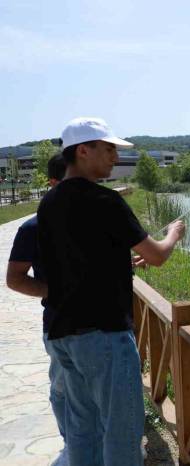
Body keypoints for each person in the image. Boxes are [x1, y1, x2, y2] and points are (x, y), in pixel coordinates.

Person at [38, 117, 186, 466]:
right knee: (121, 433)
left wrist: (120, 261)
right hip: (104, 334)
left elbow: (74, 260)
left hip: (63, 335)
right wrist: (174, 234)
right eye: (108, 150)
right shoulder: (105, 201)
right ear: (83, 151)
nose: (114, 158)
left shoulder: (49, 203)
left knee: (83, 431)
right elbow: (158, 255)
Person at [6, 153, 68, 466]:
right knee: (62, 390)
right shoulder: (33, 228)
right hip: (58, 326)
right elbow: (14, 279)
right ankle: (72, 443)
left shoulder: (98, 222)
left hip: (108, 327)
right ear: (53, 184)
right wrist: (57, 293)